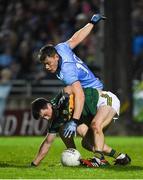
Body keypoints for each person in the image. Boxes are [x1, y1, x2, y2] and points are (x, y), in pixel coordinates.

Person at [36, 14, 131, 167]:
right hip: (88, 92)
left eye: (48, 63)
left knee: (92, 126)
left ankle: (99, 160)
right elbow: (75, 39)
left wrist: (74, 120)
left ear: (55, 57)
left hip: (93, 93)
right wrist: (91, 23)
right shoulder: (60, 48)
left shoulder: (67, 72)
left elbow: (79, 95)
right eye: (44, 65)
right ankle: (119, 156)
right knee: (87, 142)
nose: (46, 67)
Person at [30, 89, 131, 167]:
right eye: (43, 118)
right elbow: (48, 142)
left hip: (105, 99)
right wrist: (34, 164)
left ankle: (98, 159)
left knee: (95, 125)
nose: (46, 118)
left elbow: (71, 88)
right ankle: (121, 157)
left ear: (48, 105)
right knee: (86, 143)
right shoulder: (56, 119)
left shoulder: (62, 98)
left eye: (45, 115)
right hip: (92, 114)